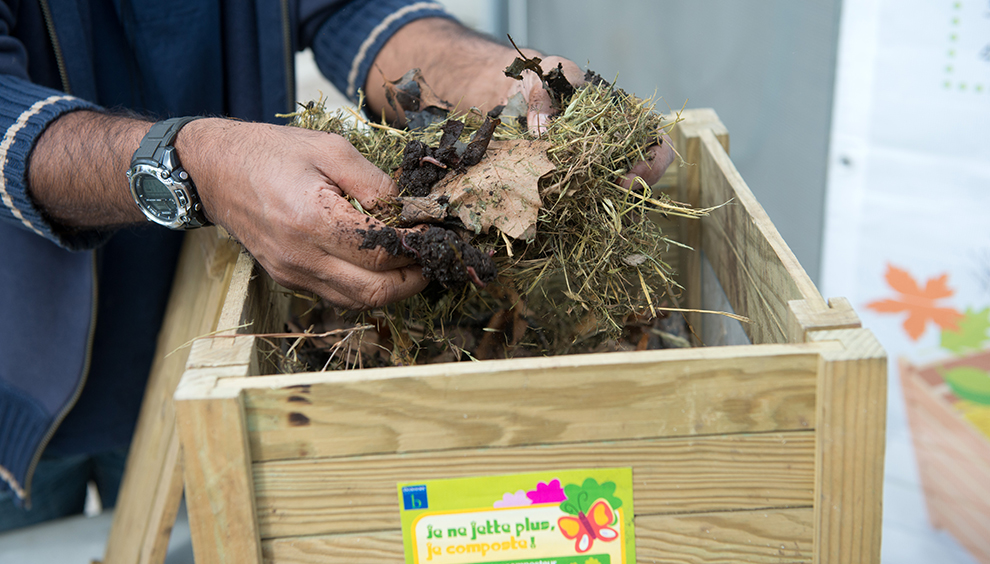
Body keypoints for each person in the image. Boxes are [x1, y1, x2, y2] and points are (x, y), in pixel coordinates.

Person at [0, 0, 673, 531]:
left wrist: (483, 76)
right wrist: (195, 164)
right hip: (20, 375)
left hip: (224, 358)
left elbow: (352, 8)